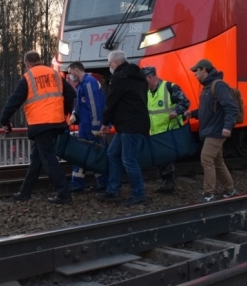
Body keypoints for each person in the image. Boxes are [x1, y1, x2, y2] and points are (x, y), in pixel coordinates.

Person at [0, 50, 76, 204]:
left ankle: (63, 193)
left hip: (40, 124)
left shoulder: (28, 77)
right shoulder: (55, 74)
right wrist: (64, 111)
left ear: (27, 64)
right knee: (37, 158)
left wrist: (5, 120)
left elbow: (14, 100)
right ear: (40, 60)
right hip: (56, 122)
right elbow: (71, 93)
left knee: (48, 159)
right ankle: (25, 192)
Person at [96, 50, 150, 206]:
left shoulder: (119, 78)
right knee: (113, 153)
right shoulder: (139, 77)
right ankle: (113, 189)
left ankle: (139, 194)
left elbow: (111, 101)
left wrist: (105, 123)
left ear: (116, 63)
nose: (109, 67)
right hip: (135, 123)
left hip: (129, 125)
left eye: (109, 64)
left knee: (129, 160)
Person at [183, 59, 238, 202]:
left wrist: (227, 127)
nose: (195, 74)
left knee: (206, 158)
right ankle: (230, 189)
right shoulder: (207, 88)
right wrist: (193, 113)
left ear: (204, 70)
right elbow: (206, 110)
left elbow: (231, 107)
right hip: (211, 130)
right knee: (218, 161)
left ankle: (209, 194)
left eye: (197, 70)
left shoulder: (218, 86)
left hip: (217, 130)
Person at [142, 65, 190, 193]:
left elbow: (184, 102)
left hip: (169, 130)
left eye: (143, 80)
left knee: (166, 160)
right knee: (161, 160)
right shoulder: (147, 92)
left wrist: (176, 111)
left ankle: (169, 184)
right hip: (155, 132)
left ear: (150, 77)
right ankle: (167, 183)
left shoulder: (170, 87)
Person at [67, 61, 107, 193]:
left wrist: (96, 126)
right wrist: (74, 114)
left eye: (70, 72)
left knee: (89, 154)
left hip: (90, 128)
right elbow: (81, 104)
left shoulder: (88, 83)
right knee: (90, 154)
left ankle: (80, 183)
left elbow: (94, 106)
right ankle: (100, 182)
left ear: (76, 70)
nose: (69, 75)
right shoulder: (82, 85)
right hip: (85, 126)